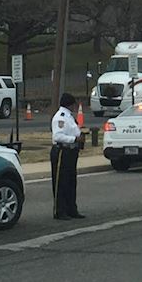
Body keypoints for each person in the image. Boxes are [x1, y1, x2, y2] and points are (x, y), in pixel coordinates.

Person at [50, 92, 85, 221]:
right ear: (69, 105)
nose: (75, 107)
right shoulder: (61, 117)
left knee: (71, 182)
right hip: (62, 152)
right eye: (73, 104)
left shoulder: (69, 117)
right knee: (61, 182)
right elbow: (57, 136)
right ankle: (59, 211)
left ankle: (71, 209)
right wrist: (74, 139)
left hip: (71, 152)